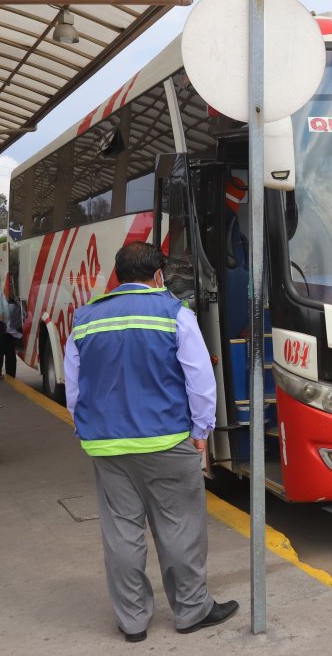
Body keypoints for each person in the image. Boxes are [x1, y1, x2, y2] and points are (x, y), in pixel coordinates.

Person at [64, 242, 237, 642]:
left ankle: (133, 622)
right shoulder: (175, 313)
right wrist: (202, 431)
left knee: (121, 532)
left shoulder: (85, 318)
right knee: (180, 526)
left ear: (118, 276)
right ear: (158, 275)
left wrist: (86, 427)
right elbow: (199, 381)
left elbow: (75, 388)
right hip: (165, 440)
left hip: (106, 445)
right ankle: (192, 610)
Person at [2, 292, 24, 377]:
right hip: (4, 331)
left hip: (7, 331)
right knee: (8, 352)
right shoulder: (12, 308)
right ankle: (8, 373)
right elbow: (7, 328)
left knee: (4, 353)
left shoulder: (16, 307)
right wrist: (20, 336)